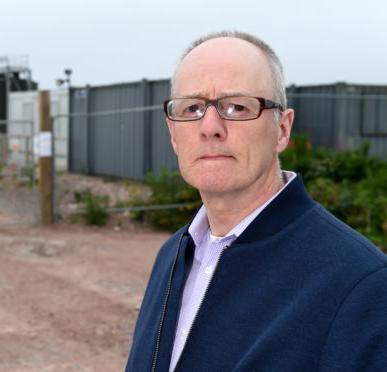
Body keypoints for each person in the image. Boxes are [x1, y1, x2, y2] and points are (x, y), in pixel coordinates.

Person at [126, 30, 387, 371]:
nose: (210, 127)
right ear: (174, 134)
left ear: (282, 129)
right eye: (191, 108)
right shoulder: (173, 255)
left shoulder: (359, 283)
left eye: (236, 107)